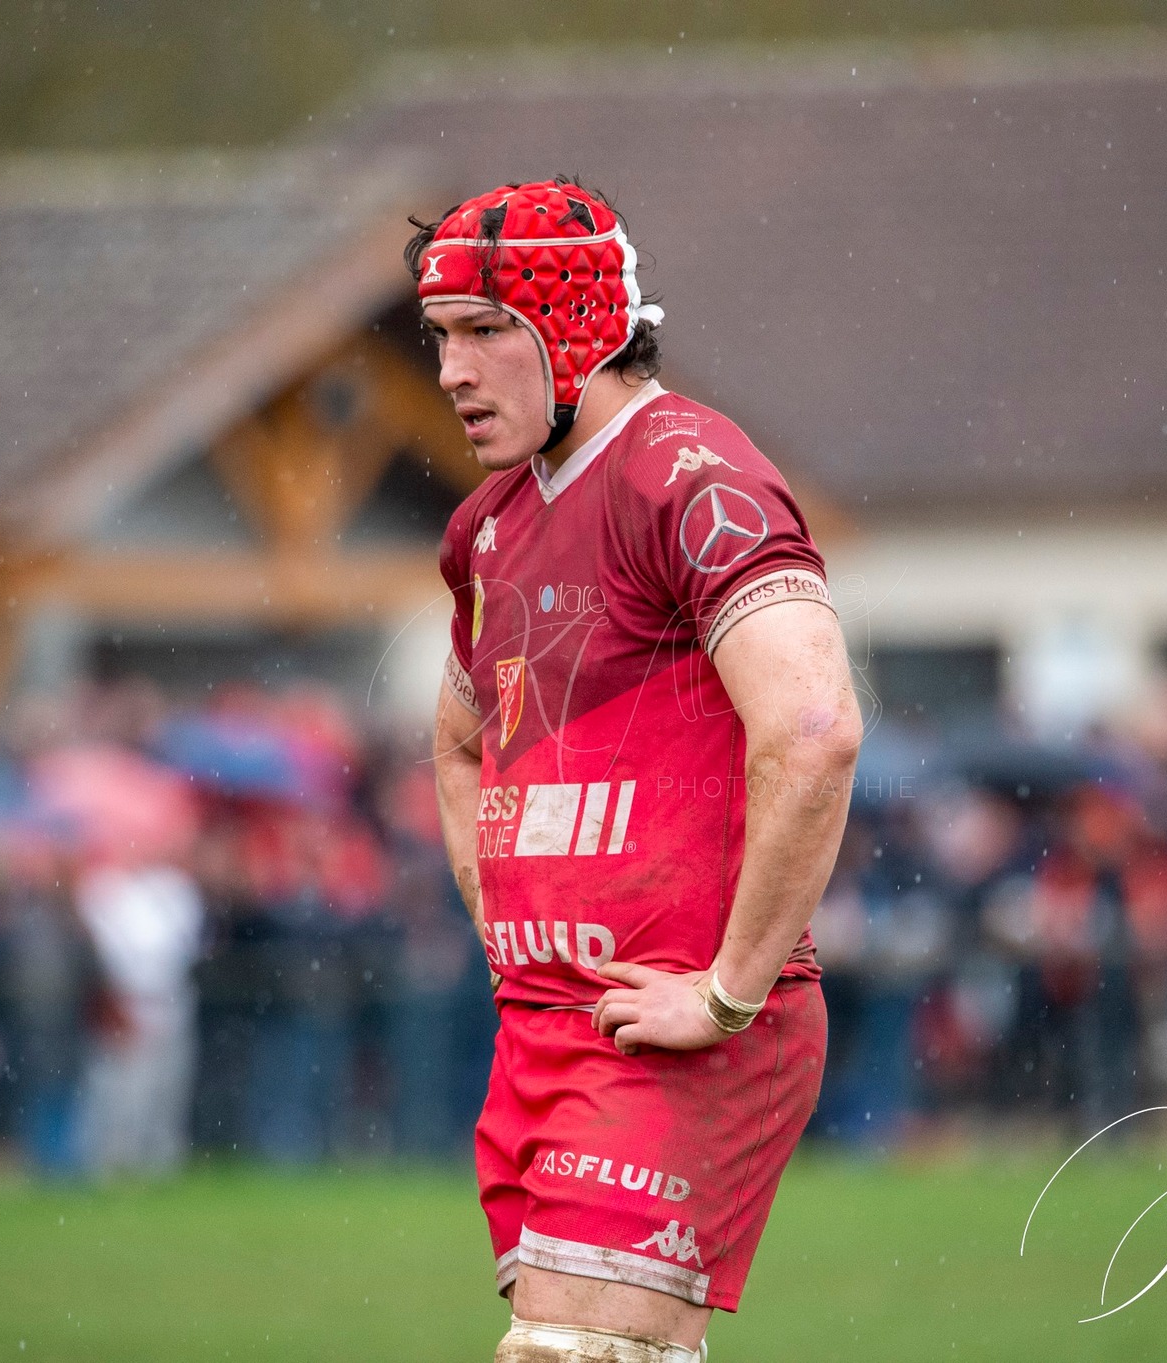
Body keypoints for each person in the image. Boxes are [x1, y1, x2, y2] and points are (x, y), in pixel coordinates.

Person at [419, 178, 861, 1363]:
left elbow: (814, 730)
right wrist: (503, 923)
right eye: (439, 337)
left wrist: (726, 992)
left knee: (570, 1357)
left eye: (483, 331)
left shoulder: (690, 477)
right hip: (544, 1028)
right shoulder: (486, 528)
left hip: (677, 1031)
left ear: (569, 329)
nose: (452, 372)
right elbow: (459, 743)